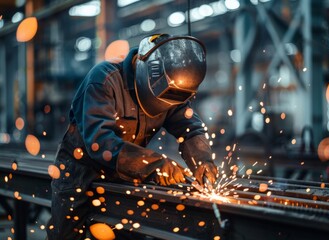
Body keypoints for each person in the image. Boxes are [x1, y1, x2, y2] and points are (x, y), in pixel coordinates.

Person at [46, 33, 218, 240]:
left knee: (130, 233)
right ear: (146, 71)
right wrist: (155, 165)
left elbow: (191, 129)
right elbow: (101, 144)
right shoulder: (104, 80)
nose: (168, 104)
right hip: (79, 172)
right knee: (66, 235)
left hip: (127, 173)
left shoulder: (173, 88)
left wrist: (203, 161)